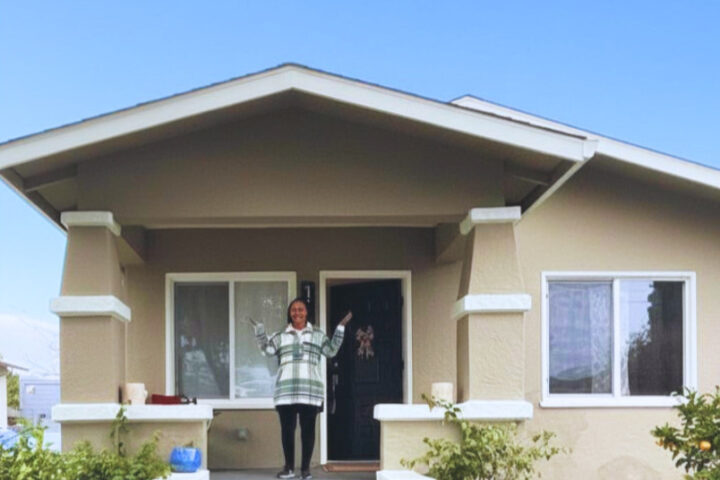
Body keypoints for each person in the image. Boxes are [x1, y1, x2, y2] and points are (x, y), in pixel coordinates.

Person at [249, 297, 351, 479]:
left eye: (301, 309)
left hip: (310, 391)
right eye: (294, 309)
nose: (297, 312)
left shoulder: (318, 335)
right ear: (290, 313)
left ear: (307, 312)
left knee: (308, 431)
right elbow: (267, 351)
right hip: (285, 391)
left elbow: (331, 351)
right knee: (287, 431)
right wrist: (260, 332)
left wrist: (340, 328)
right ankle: (288, 469)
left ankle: (305, 470)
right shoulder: (281, 336)